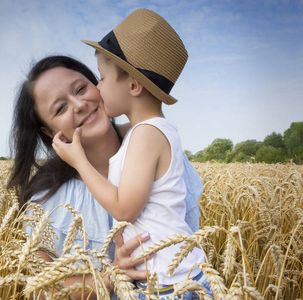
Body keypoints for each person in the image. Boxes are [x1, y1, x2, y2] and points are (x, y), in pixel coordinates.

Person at [8, 54, 203, 299]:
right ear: (50, 132)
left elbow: (186, 237)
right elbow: (42, 283)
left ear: (100, 85)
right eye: (60, 108)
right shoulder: (45, 200)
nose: (78, 105)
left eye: (81, 89)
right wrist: (110, 276)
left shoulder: (155, 145)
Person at [52, 9, 212, 299]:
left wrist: (79, 161)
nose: (98, 89)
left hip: (170, 287)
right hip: (166, 281)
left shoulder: (145, 135)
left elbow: (124, 209)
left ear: (134, 86)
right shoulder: (148, 132)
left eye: (101, 78)